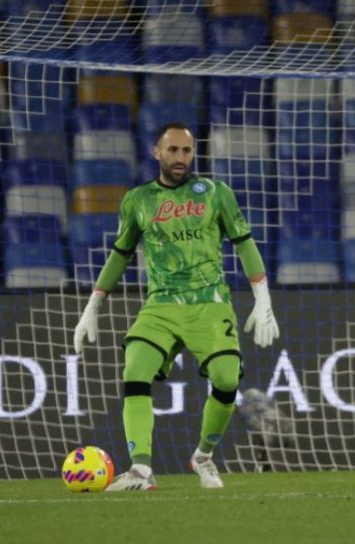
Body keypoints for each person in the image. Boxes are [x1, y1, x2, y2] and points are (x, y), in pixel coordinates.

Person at [73, 121, 280, 491]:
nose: (180, 157)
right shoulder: (137, 200)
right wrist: (93, 306)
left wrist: (263, 299)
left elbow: (244, 243)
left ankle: (203, 456)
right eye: (173, 150)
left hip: (210, 304)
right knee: (135, 370)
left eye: (186, 150)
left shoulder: (215, 193)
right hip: (161, 306)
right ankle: (140, 471)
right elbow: (120, 255)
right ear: (157, 152)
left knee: (227, 379)